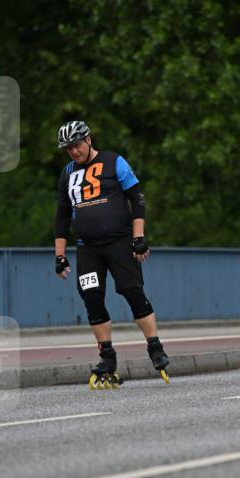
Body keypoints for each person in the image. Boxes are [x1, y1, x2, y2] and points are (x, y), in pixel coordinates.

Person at [54, 120, 170, 387]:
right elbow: (61, 217)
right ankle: (107, 356)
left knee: (132, 292)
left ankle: (155, 347)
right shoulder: (67, 173)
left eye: (76, 145)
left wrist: (138, 237)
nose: (73, 151)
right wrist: (60, 256)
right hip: (87, 248)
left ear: (89, 139)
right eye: (68, 148)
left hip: (119, 242)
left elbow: (137, 199)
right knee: (91, 297)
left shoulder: (114, 161)